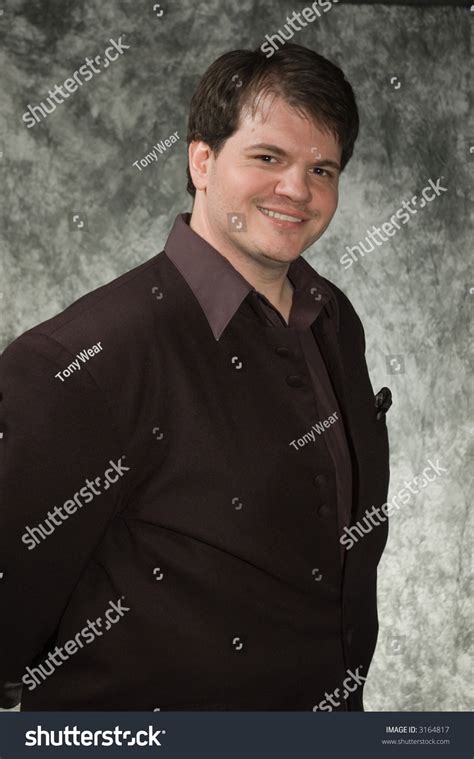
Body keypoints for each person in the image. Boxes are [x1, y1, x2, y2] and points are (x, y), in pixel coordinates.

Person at [0, 42, 391, 711]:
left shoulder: (334, 321)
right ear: (201, 160)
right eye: (268, 157)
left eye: (321, 168)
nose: (298, 189)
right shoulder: (85, 357)